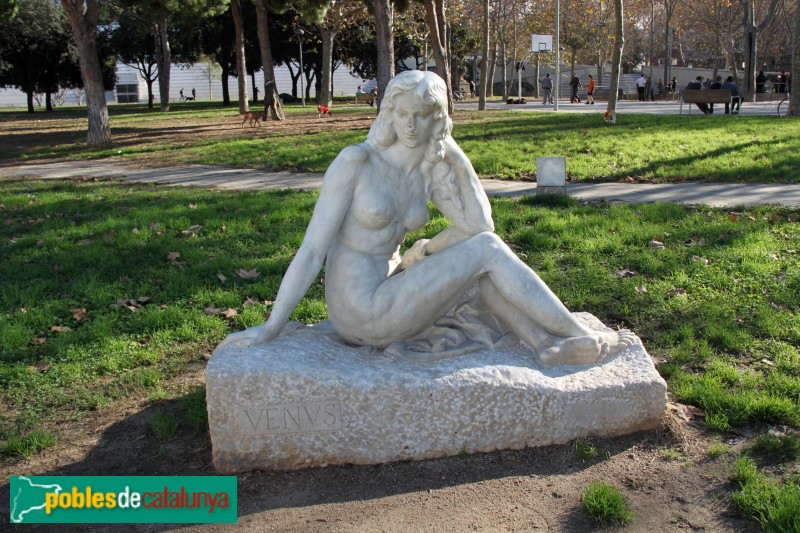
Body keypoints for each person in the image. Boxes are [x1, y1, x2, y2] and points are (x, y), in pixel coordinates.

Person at [215, 70, 635, 366]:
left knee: (481, 265)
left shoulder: (425, 170)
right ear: (389, 113)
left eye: (422, 115)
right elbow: (311, 251)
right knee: (487, 254)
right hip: (360, 308)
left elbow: (478, 225)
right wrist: (271, 327)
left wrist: (454, 154)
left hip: (394, 285)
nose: (411, 125)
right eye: (403, 114)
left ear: (437, 118)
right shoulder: (356, 162)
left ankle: (546, 344)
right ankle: (577, 334)